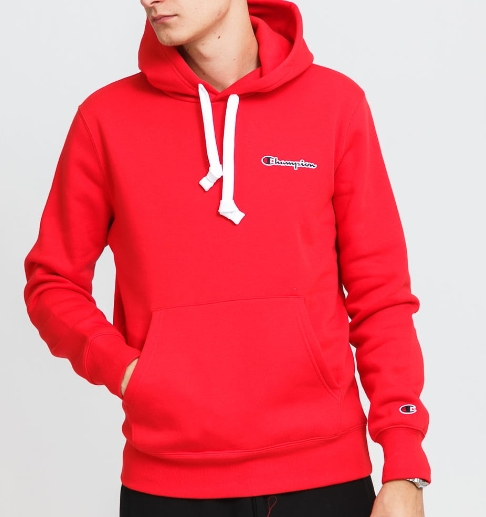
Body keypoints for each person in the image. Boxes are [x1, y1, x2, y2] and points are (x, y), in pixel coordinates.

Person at [23, 0, 431, 516]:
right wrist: (128, 372)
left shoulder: (335, 105)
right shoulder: (104, 119)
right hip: (169, 483)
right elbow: (52, 281)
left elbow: (381, 295)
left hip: (326, 476)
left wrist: (405, 462)